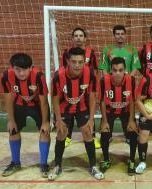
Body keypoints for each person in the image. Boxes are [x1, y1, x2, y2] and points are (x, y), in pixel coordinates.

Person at [49, 47, 104, 180]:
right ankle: (57, 166)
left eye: (80, 62)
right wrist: (58, 119)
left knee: (87, 132)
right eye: (74, 61)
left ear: (84, 61)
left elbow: (92, 96)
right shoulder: (58, 76)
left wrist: (91, 118)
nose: (77, 65)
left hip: (82, 107)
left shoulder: (90, 74)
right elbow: (55, 98)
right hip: (64, 108)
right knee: (62, 133)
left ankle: (92, 166)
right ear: (68, 61)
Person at [0, 53, 50, 178]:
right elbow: (8, 99)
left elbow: (44, 101)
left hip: (37, 105)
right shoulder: (6, 76)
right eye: (18, 70)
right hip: (19, 104)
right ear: (12, 68)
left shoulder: (39, 76)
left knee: (45, 131)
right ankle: (15, 163)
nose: (21, 73)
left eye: (25, 70)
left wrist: (45, 122)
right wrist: (11, 120)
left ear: (31, 67)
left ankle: (44, 164)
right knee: (13, 130)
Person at [98, 57, 138, 176]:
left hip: (125, 110)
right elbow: (102, 102)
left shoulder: (131, 80)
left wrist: (131, 120)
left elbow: (132, 101)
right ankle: (106, 160)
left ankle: (131, 160)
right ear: (111, 70)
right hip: (110, 110)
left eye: (120, 70)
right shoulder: (104, 80)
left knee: (133, 133)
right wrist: (104, 121)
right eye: (115, 70)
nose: (117, 73)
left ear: (125, 70)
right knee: (104, 134)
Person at [61, 27, 101, 149]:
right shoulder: (67, 52)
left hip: (86, 88)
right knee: (70, 110)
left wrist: (95, 87)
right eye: (76, 36)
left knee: (88, 111)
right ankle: (68, 137)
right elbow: (64, 69)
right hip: (70, 87)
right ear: (72, 38)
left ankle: (92, 136)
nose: (78, 38)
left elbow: (95, 71)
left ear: (85, 38)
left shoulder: (91, 52)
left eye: (81, 35)